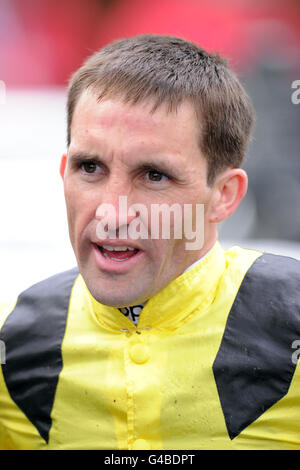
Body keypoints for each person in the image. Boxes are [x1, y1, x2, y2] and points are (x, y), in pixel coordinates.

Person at [0, 34, 299, 451]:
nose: (112, 212)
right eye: (90, 167)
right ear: (64, 170)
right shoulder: (10, 340)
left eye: (154, 175)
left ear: (224, 195)